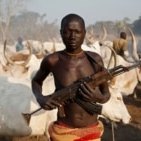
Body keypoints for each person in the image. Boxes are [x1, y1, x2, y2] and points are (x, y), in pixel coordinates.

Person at [31, 13, 110, 141]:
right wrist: (40, 98)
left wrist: (98, 97)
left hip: (92, 132)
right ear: (61, 33)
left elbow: (106, 94)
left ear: (84, 33)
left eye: (77, 32)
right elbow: (36, 81)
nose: (72, 37)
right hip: (63, 132)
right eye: (68, 32)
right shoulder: (52, 60)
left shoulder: (95, 60)